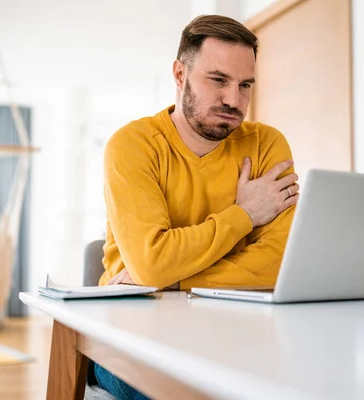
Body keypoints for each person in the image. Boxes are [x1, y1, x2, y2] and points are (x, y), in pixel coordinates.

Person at [93, 14, 299, 400]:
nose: (233, 101)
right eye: (218, 80)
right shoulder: (133, 145)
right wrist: (245, 215)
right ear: (179, 74)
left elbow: (280, 261)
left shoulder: (267, 144)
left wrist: (170, 281)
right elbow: (152, 261)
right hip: (133, 330)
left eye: (245, 85)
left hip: (238, 327)